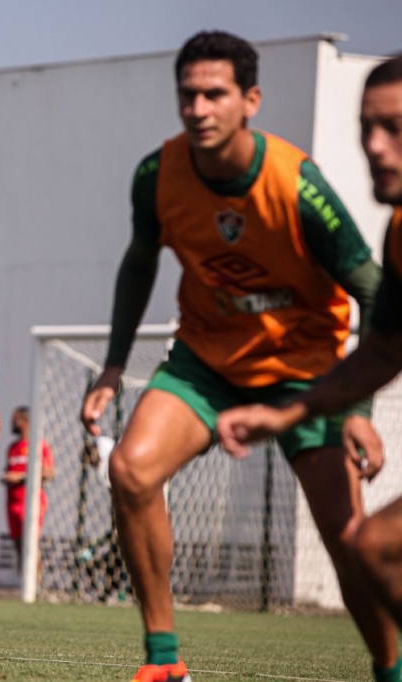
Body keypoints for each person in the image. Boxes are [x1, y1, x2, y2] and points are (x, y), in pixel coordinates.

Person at [79, 31, 397, 682]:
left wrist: (356, 407)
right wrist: (112, 365)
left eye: (214, 94)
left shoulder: (297, 183)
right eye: (187, 95)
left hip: (304, 369)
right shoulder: (158, 174)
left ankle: (390, 671)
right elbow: (139, 263)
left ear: (250, 100)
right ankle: (164, 660)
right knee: (131, 469)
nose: (198, 108)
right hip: (208, 361)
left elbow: (371, 291)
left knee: (353, 543)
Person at [217, 57, 402, 636]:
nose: (373, 145)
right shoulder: (399, 233)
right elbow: (380, 352)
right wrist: (287, 414)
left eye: (394, 127)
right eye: (365, 127)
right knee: (374, 549)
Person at [0, 405, 55, 573]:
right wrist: (6, 477)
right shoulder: (12, 447)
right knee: (19, 548)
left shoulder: (40, 445)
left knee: (30, 547)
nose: (11, 422)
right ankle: (23, 589)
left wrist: (22, 477)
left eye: (15, 419)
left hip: (32, 503)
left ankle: (36, 587)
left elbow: (49, 473)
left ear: (25, 421)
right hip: (12, 504)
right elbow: (7, 471)